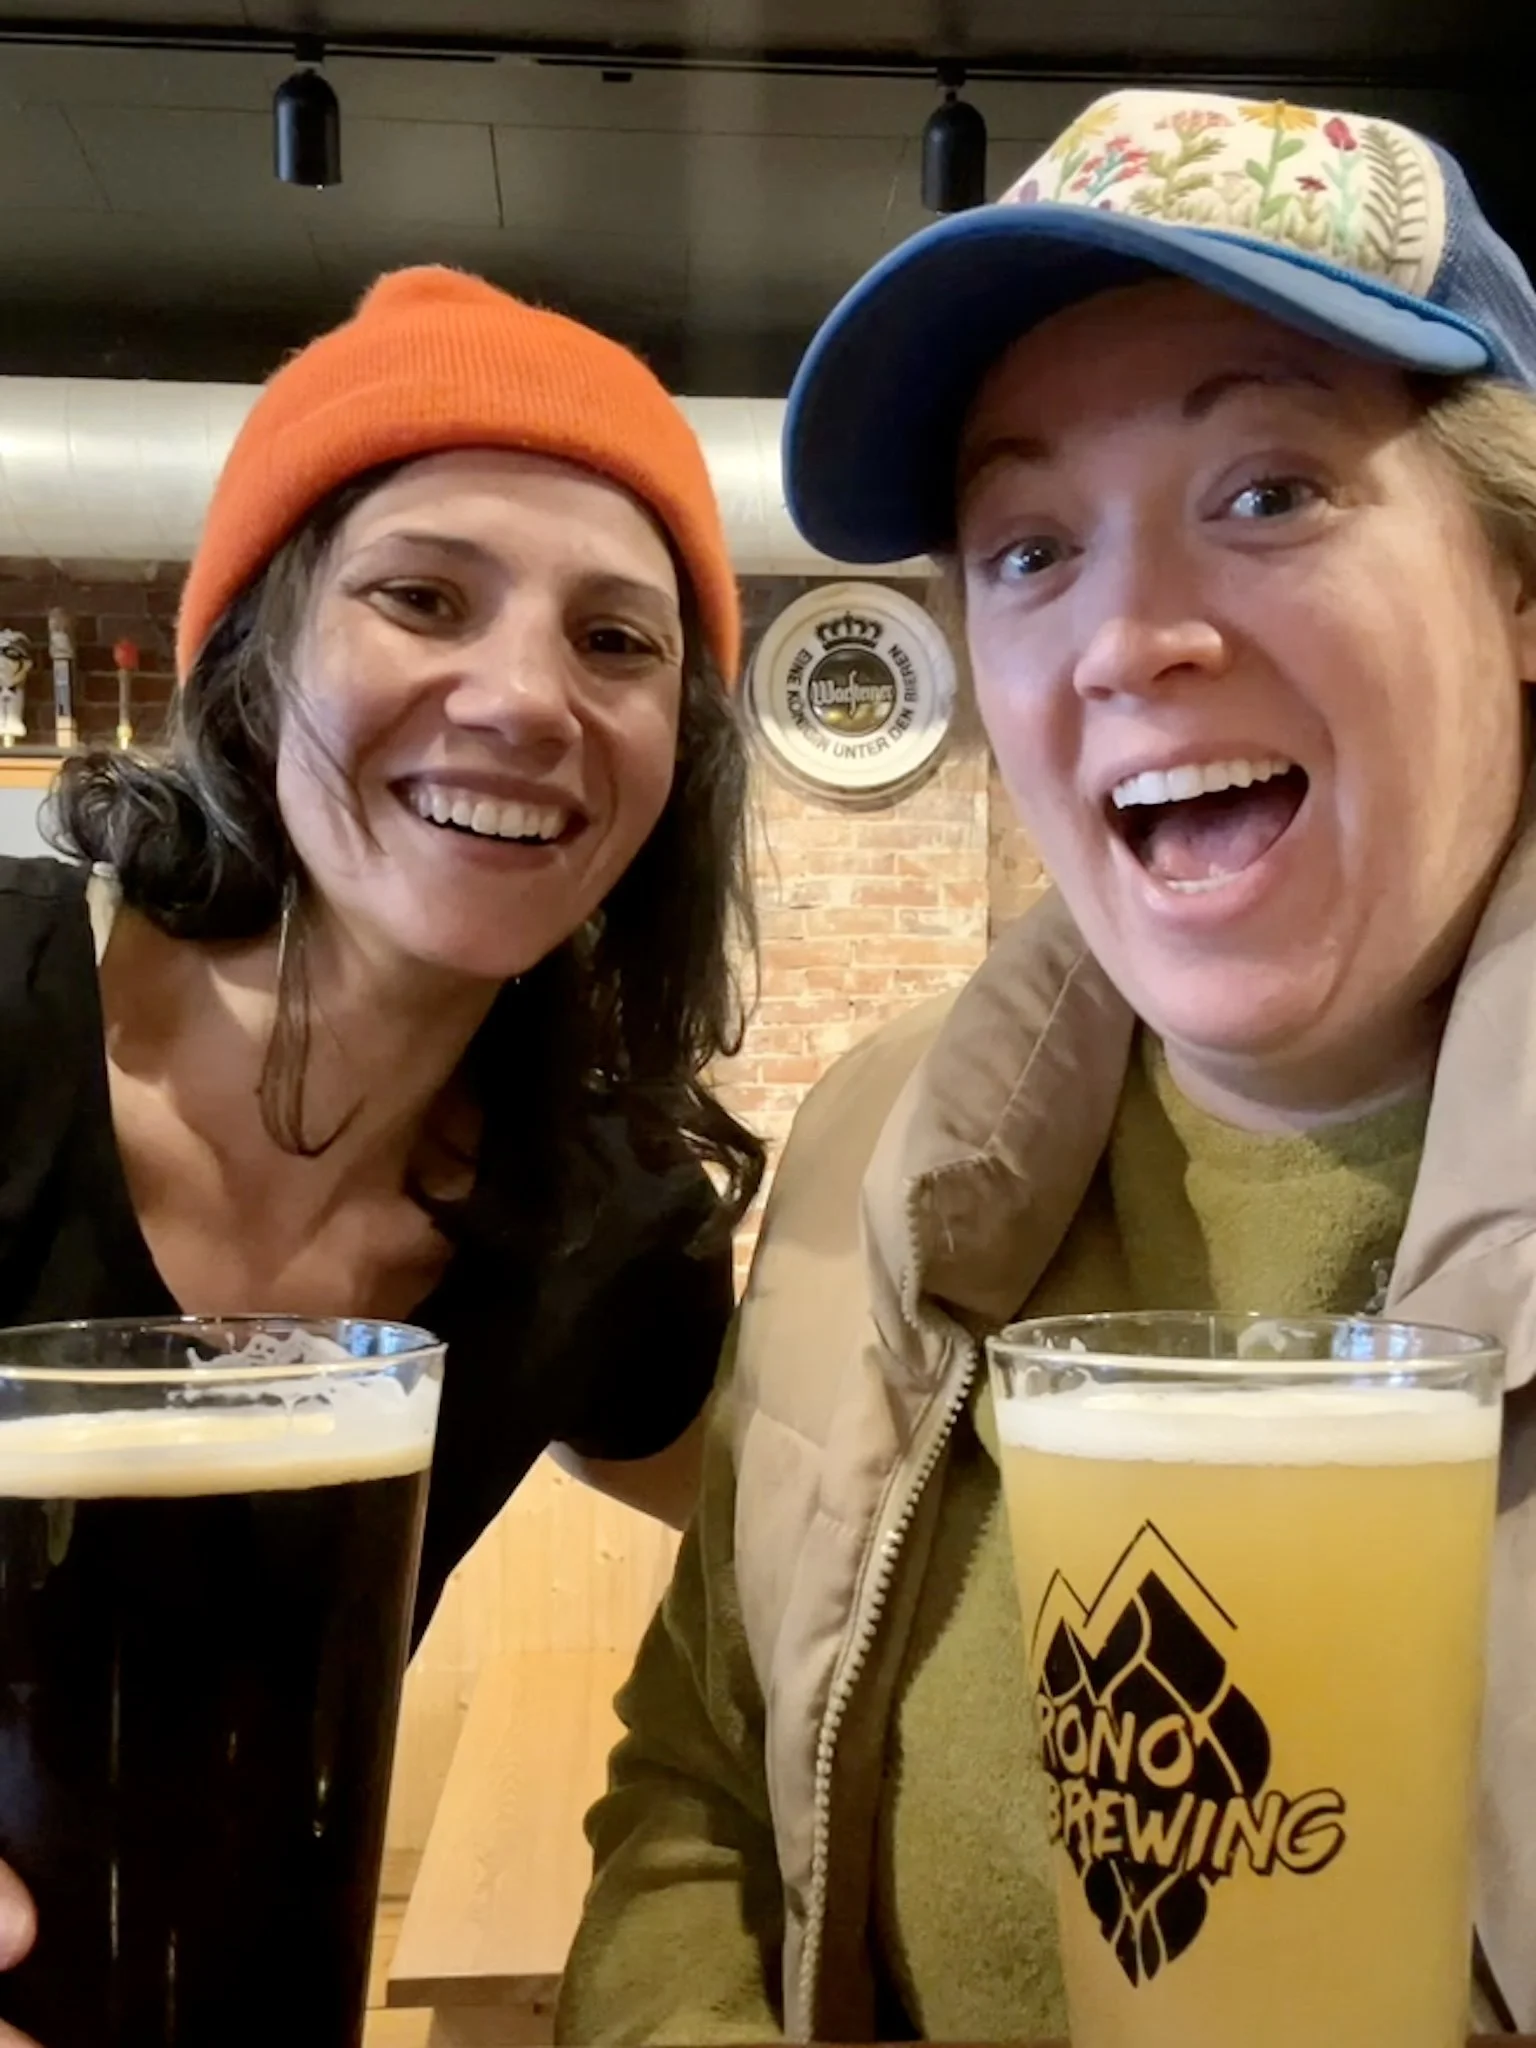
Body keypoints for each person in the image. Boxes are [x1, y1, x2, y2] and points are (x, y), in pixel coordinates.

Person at [557, 87, 1536, 2043]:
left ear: (1520, 585)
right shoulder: (873, 1149)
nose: (1126, 636)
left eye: (1268, 489)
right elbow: (694, 1800)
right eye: (1024, 547)